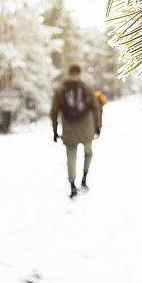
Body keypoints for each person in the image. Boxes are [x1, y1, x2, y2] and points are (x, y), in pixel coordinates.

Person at [51, 65, 102, 198]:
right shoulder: (87, 88)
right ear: (79, 73)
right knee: (88, 153)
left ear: (69, 73)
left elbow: (54, 111)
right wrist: (98, 127)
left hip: (69, 129)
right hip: (87, 128)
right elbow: (96, 108)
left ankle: (72, 185)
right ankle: (84, 179)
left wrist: (55, 131)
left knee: (71, 157)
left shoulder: (60, 90)